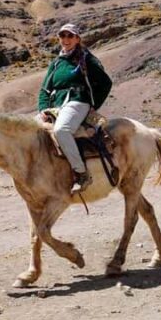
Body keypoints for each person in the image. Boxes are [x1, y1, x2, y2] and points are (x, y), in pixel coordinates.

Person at [37, 23, 112, 194]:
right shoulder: (56, 63)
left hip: (77, 101)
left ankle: (81, 173)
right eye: (62, 36)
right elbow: (44, 90)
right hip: (56, 105)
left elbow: (105, 83)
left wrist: (93, 104)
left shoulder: (86, 59)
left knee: (62, 130)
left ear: (77, 39)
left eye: (70, 36)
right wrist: (43, 108)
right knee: (31, 131)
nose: (66, 39)